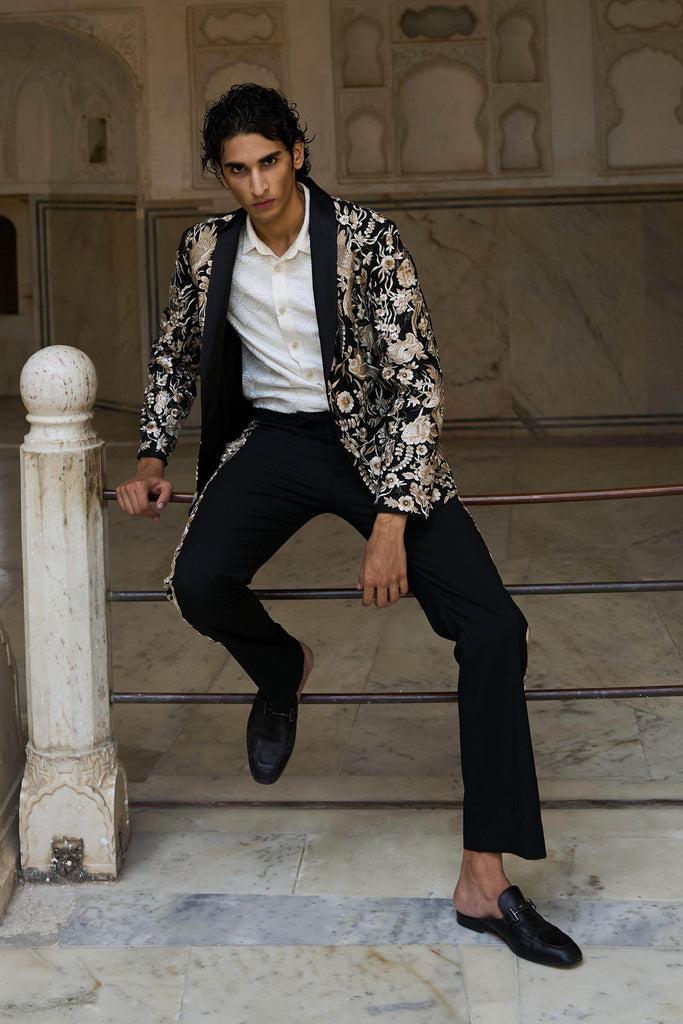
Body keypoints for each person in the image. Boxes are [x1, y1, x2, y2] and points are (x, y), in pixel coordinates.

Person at [116, 83, 582, 969]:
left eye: (269, 162)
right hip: (273, 441)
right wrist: (149, 456)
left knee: (494, 630)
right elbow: (175, 354)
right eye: (237, 171)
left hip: (375, 448)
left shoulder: (366, 238)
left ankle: (484, 879)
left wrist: (392, 519)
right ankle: (280, 669)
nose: (257, 185)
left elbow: (415, 382)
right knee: (199, 583)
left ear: (297, 153)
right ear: (220, 175)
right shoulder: (206, 248)